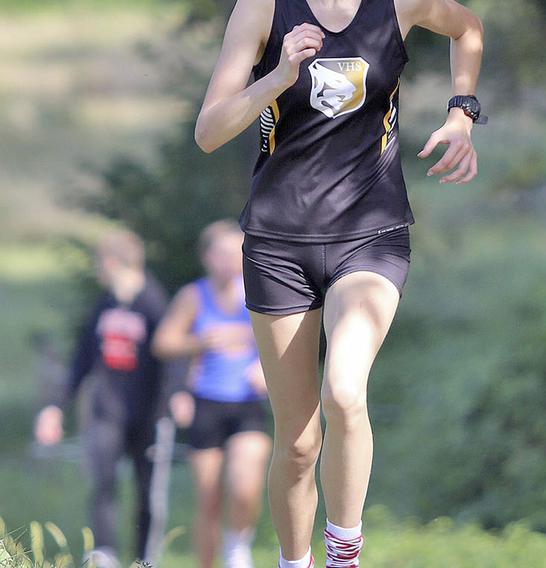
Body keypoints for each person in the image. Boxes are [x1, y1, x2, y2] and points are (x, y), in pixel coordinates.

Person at [194, 0, 484, 565]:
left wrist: (462, 110)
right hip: (278, 243)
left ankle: (343, 553)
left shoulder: (399, 4)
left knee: (345, 391)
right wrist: (277, 76)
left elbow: (467, 28)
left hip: (369, 234)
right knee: (298, 443)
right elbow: (209, 131)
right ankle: (293, 560)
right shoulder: (261, 10)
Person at [33, 229, 171, 568]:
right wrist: (55, 407)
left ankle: (144, 559)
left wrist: (171, 402)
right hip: (107, 412)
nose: (98, 269)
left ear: (111, 262)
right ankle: (104, 553)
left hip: (149, 414)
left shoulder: (154, 302)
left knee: (147, 492)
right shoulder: (105, 305)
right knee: (103, 483)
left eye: (99, 262)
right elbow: (82, 360)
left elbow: (172, 361)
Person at [152, 220, 272, 568]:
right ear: (206, 257)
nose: (231, 261)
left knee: (246, 485)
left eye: (237, 252)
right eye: (221, 253)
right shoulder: (194, 296)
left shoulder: (260, 293)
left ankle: (238, 543)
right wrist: (200, 341)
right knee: (208, 499)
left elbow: (288, 341)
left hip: (248, 403)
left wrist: (265, 367)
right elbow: (162, 343)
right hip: (206, 403)